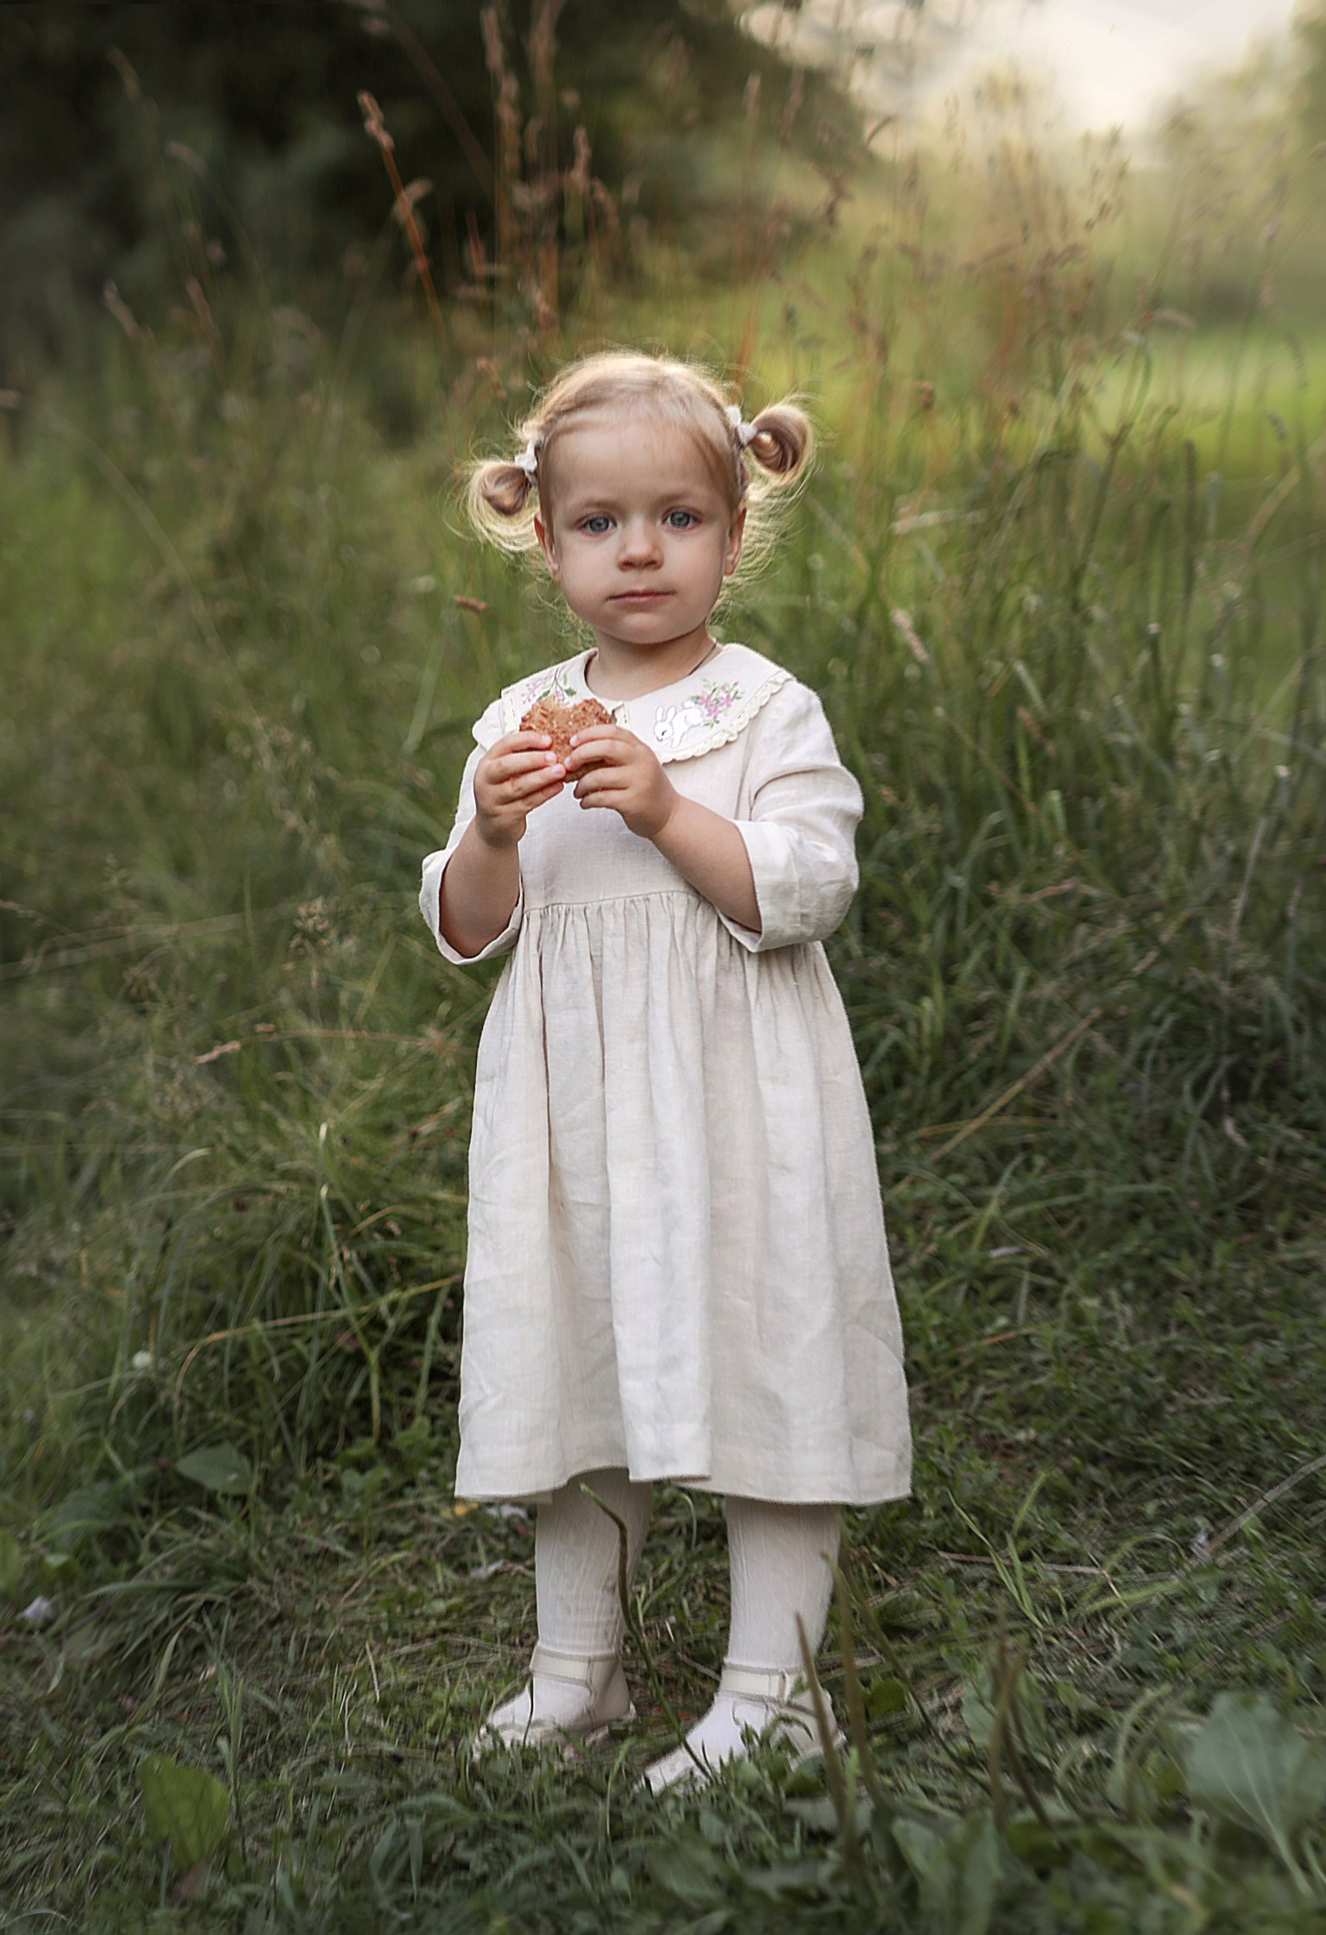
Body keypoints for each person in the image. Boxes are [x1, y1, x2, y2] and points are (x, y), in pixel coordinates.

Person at [420, 351, 912, 1793]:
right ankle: (578, 1669)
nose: (639, 550)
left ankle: (779, 1689)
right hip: (575, 1119)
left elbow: (804, 890)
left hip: (738, 1100)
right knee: (577, 1362)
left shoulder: (763, 713)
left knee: (767, 1355)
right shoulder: (515, 724)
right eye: (599, 522)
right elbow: (466, 930)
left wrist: (666, 811)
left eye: (679, 519)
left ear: (735, 531)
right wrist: (493, 836)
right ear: (542, 533)